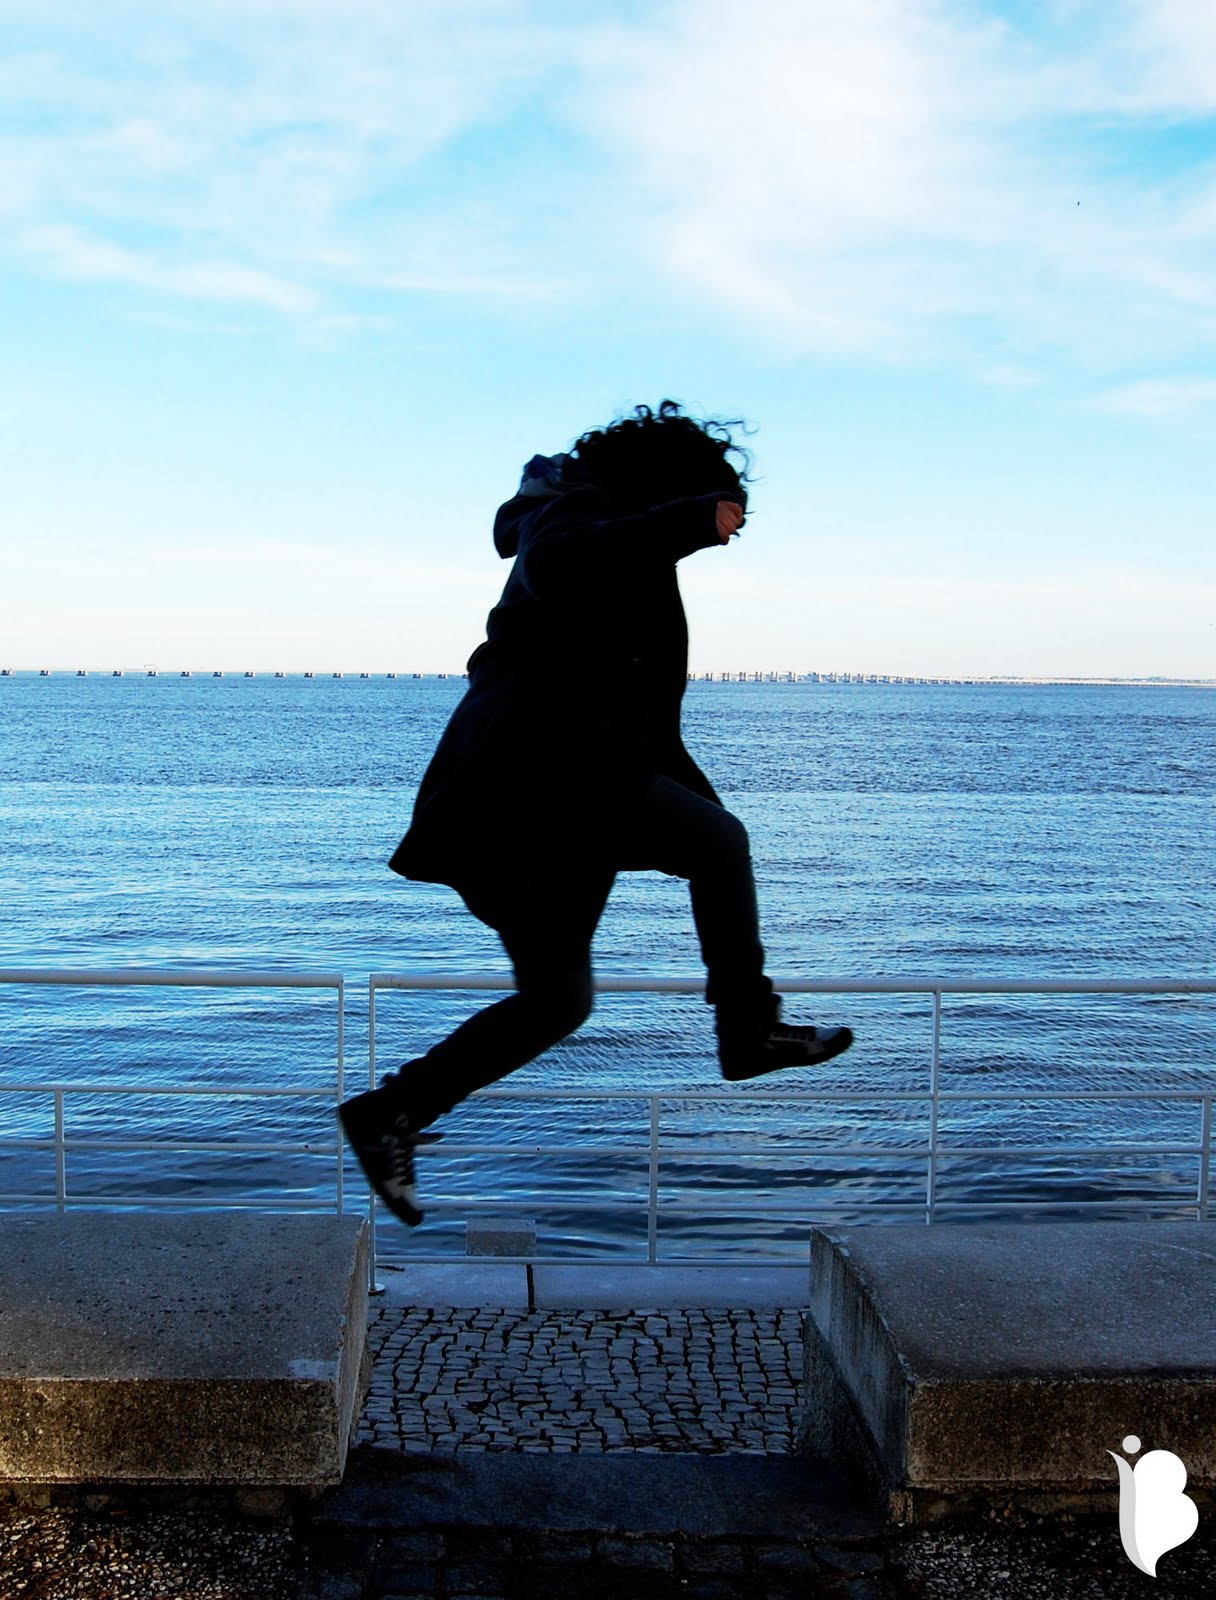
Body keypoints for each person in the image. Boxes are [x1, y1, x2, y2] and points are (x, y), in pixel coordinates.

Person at [339, 401, 853, 1226]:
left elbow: (633, 706)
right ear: (671, 485)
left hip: (554, 794)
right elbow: (562, 568)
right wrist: (688, 520)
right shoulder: (573, 513)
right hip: (532, 779)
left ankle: (390, 1112)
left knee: (558, 1001)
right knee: (719, 845)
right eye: (718, 505)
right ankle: (749, 1031)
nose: (727, 532)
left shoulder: (609, 532)